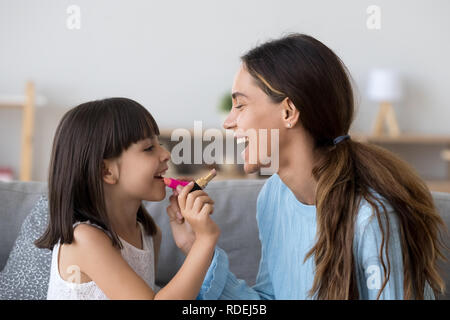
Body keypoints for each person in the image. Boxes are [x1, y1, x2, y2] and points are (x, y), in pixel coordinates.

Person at [167, 34, 447, 299]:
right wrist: (196, 246)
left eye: (240, 105)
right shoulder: (274, 196)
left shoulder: (371, 215)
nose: (227, 122)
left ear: (288, 112)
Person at [35, 97, 220, 299]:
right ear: (106, 171)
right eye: (149, 148)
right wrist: (204, 240)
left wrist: (191, 240)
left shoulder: (150, 234)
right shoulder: (85, 239)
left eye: (159, 144)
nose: (166, 154)